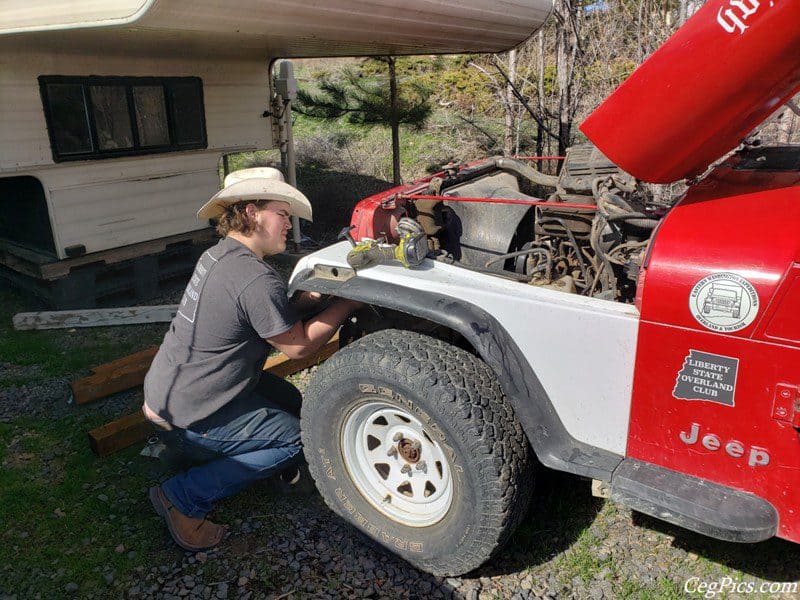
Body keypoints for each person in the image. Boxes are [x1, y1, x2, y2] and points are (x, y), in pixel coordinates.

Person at [143, 167, 360, 551]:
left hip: (172, 394)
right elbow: (299, 347)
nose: (288, 223)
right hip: (192, 414)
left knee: (295, 403)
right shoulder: (254, 278)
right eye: (282, 213)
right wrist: (348, 300)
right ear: (250, 212)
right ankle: (183, 497)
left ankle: (224, 457)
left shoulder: (219, 256)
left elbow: (264, 314)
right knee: (298, 438)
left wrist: (313, 295)